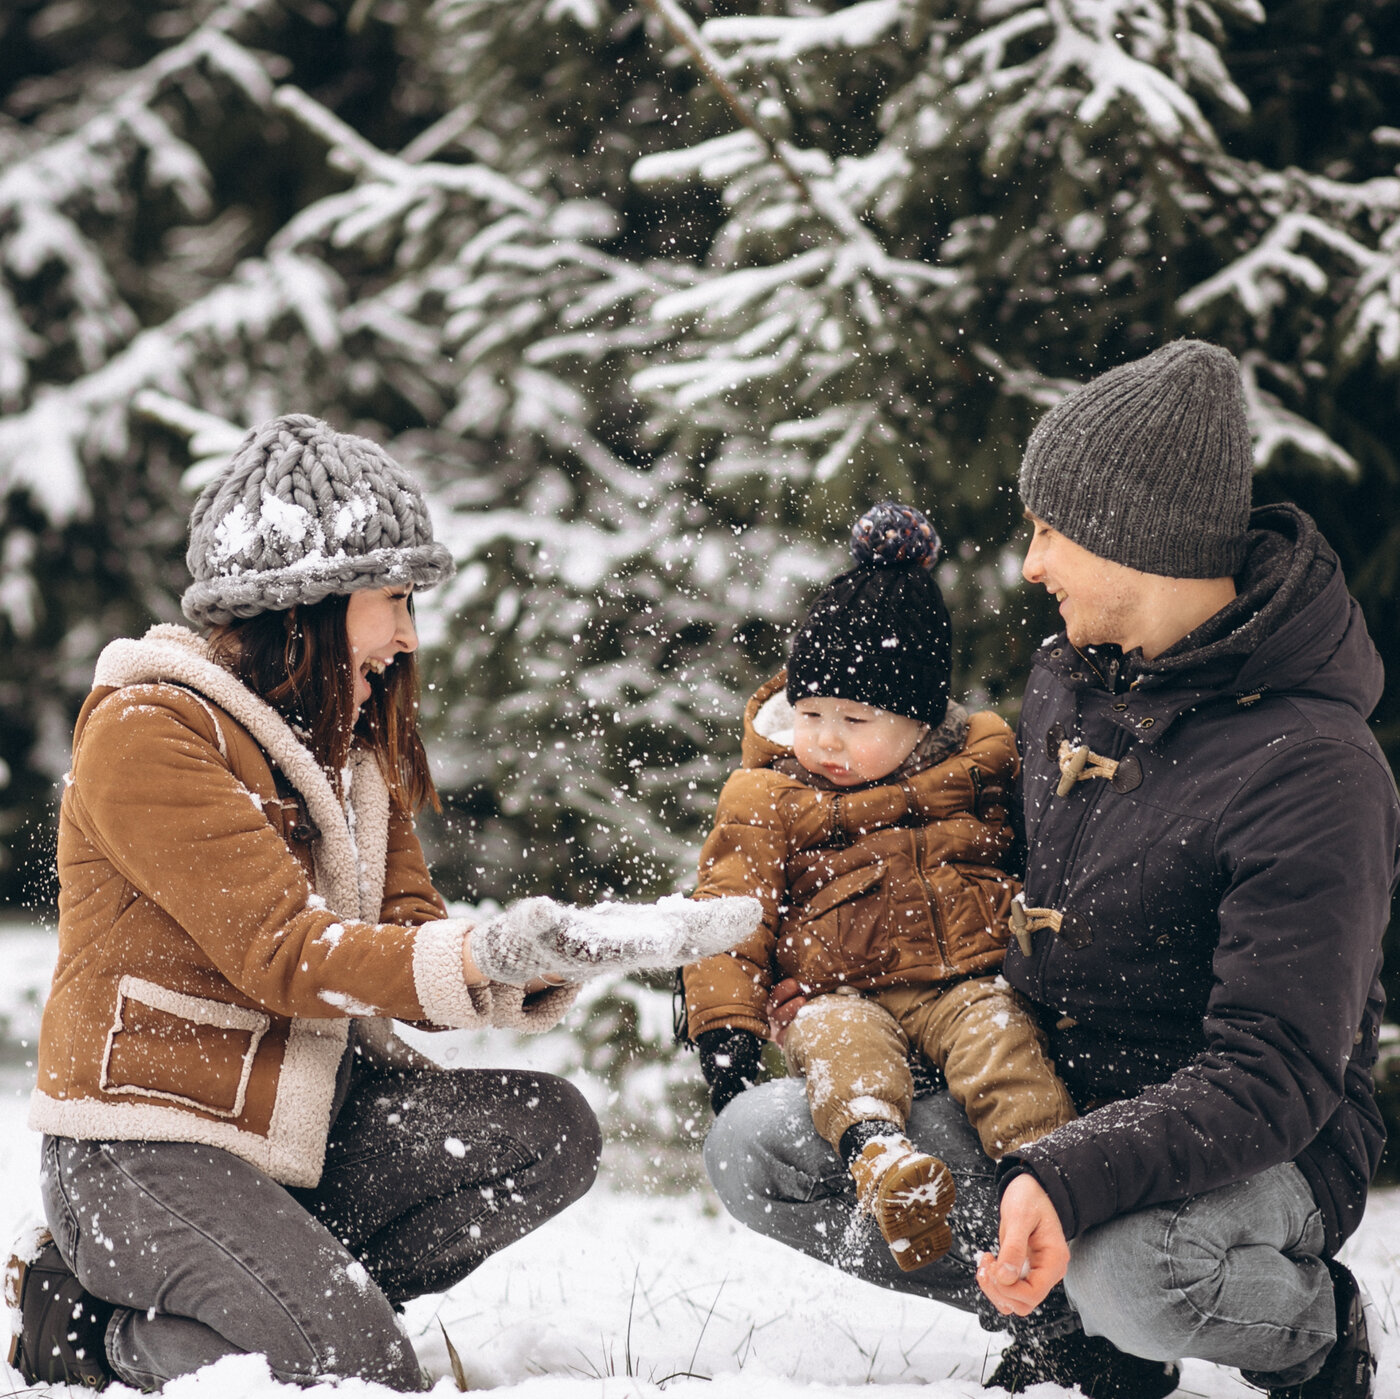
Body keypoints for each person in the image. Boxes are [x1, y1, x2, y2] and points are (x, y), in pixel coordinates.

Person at [3, 414, 758, 1392]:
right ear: (306, 599)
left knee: (548, 1130)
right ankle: (90, 1330)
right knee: (355, 1369)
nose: (406, 632)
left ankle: (291, 1287)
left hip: (302, 1130)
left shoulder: (347, 748)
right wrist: (481, 954)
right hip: (146, 1149)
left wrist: (546, 949)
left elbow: (403, 935)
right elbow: (287, 952)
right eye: (393, 598)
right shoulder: (148, 729)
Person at [703, 342, 1397, 1399]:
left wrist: (1060, 1175)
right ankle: (1075, 1331)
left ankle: (1311, 1330)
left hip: (1257, 1143)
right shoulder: (1067, 682)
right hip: (1057, 1098)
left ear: (1133, 539)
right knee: (762, 1146)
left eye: (1048, 532)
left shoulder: (1312, 765)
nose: (1030, 565)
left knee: (1136, 1270)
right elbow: (976, 880)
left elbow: (1277, 1069)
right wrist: (853, 968)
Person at [682, 502, 1076, 1276]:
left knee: (1003, 1047)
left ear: (922, 720)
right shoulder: (767, 795)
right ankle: (884, 1159)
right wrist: (724, 1031)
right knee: (841, 1049)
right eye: (811, 713)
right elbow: (730, 908)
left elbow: (1041, 856)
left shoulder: (981, 765)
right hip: (840, 990)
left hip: (965, 982)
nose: (826, 738)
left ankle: (1053, 1185)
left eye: (856, 719)